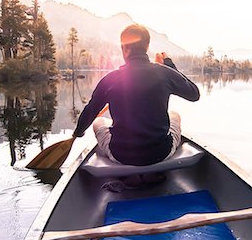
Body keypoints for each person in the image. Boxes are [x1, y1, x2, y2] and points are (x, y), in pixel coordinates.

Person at [73, 24, 200, 166]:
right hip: (160, 153)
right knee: (174, 114)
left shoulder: (110, 79)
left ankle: (130, 175)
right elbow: (194, 94)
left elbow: (90, 111)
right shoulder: (164, 73)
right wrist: (169, 65)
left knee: (98, 121)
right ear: (146, 47)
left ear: (124, 48)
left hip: (121, 155)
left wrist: (78, 133)